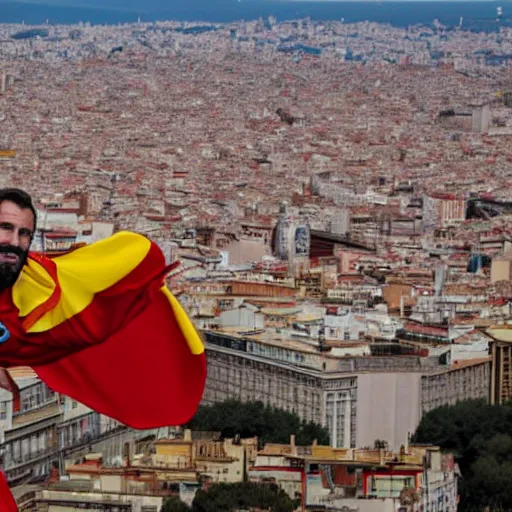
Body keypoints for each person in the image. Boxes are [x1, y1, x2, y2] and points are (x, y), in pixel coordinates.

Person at [0, 188, 207, 511]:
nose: (14, 241)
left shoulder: (42, 286)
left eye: (24, 233)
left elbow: (129, 264)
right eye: (5, 228)